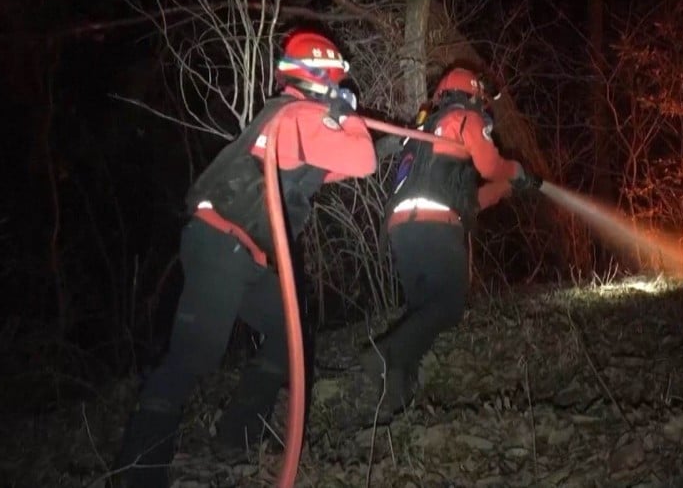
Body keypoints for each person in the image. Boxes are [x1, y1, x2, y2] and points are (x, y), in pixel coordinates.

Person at [114, 28, 378, 488]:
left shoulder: (298, 121)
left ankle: (237, 435)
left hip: (247, 254)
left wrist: (390, 140)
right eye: (337, 84)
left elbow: (332, 165)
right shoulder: (294, 115)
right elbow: (362, 161)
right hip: (220, 244)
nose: (342, 92)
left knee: (288, 332)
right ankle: (137, 473)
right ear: (322, 81)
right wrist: (350, 119)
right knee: (193, 357)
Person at [362, 65, 541, 420]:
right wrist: (514, 172)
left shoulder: (424, 134)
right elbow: (490, 165)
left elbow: (466, 201)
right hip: (435, 227)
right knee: (448, 308)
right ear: (473, 95)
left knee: (421, 312)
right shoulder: (463, 116)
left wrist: (507, 189)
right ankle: (381, 355)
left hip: (403, 228)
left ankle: (394, 398)